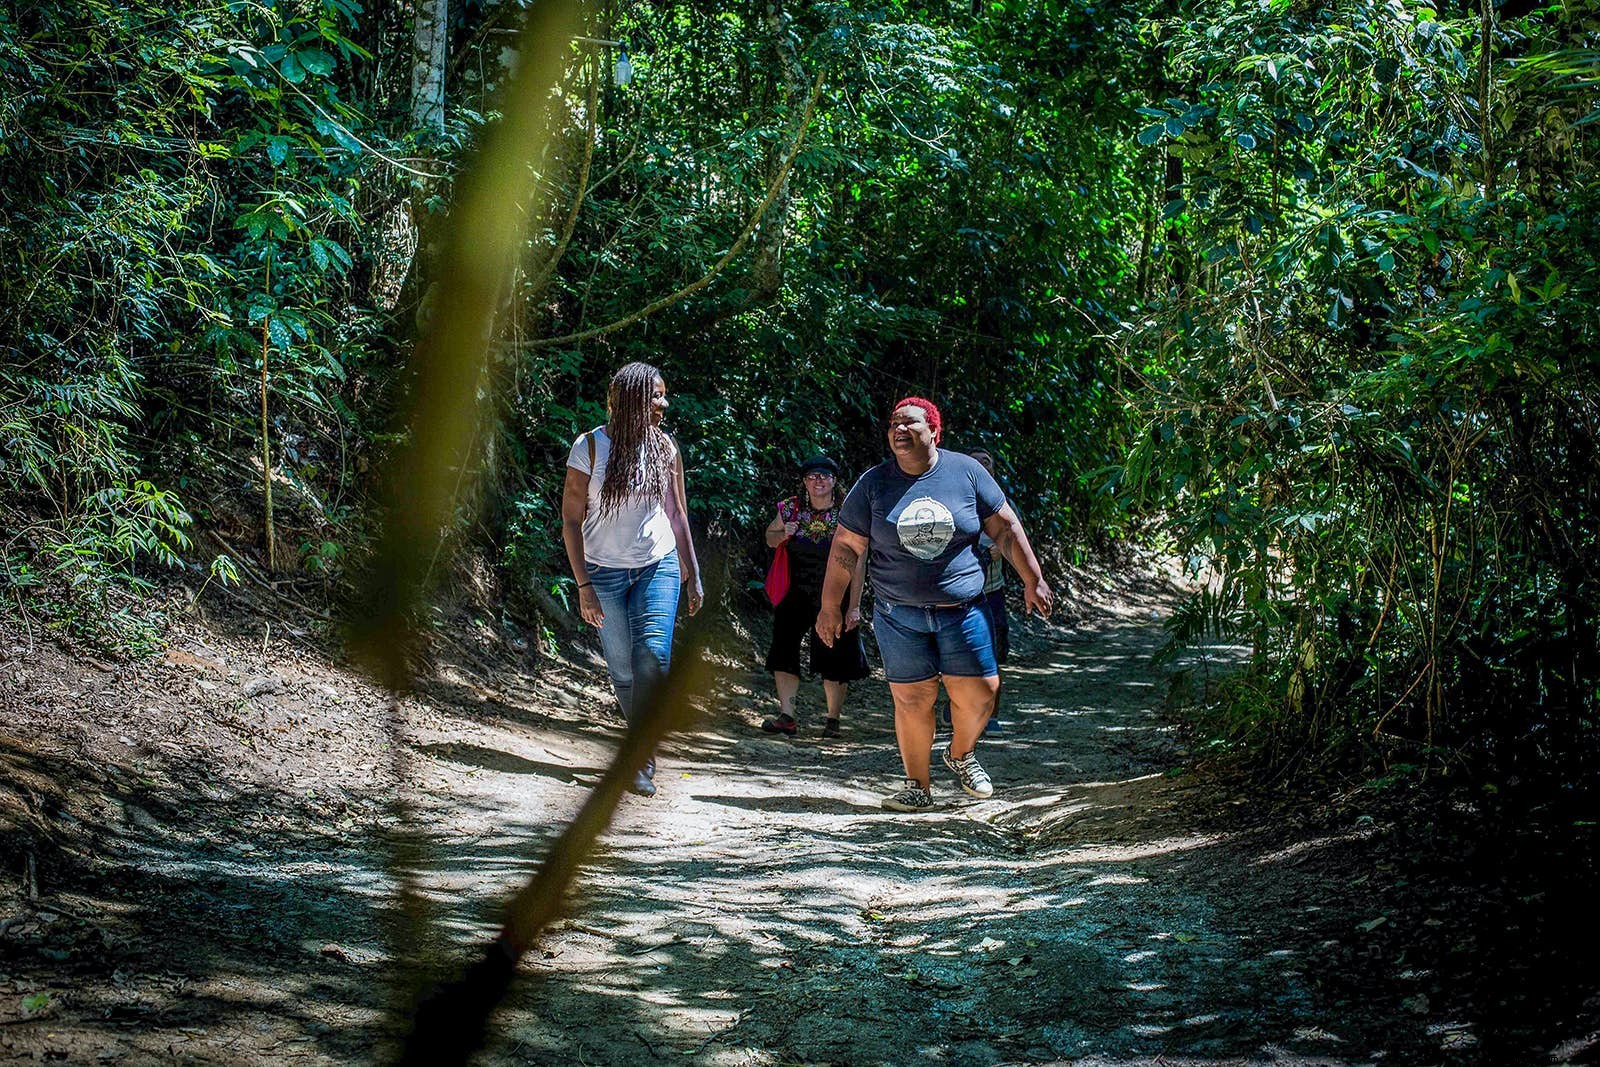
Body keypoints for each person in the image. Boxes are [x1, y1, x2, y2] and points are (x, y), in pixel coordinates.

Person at [816, 397, 1052, 812]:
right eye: (893, 424)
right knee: (912, 699)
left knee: (981, 692)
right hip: (898, 613)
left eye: (909, 423)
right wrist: (830, 605)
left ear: (934, 432)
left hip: (963, 609)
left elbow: (1005, 528)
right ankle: (917, 786)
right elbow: (846, 548)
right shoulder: (873, 483)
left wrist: (1033, 579)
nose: (899, 430)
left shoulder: (966, 472)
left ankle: (960, 754)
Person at [561, 362, 704, 798]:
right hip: (603, 573)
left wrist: (692, 572)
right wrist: (584, 585)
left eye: (664, 395)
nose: (664, 403)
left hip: (656, 566)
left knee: (651, 659)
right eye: (656, 396)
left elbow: (677, 514)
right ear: (631, 399)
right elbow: (570, 520)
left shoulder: (664, 447)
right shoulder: (589, 448)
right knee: (623, 671)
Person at [760, 455, 868, 739]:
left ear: (834, 480)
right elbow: (769, 537)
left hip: (836, 592)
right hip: (794, 591)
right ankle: (787, 716)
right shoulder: (791, 509)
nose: (817, 481)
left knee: (835, 653)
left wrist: (854, 606)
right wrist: (784, 532)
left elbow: (859, 562)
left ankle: (832, 720)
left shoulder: (849, 512)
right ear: (804, 481)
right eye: (811, 476)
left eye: (824, 475)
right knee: (784, 649)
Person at [969, 447, 1015, 736]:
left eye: (988, 463)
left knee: (994, 653)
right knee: (956, 654)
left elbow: (1016, 540)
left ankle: (992, 715)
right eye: (976, 463)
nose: (983, 467)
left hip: (993, 590)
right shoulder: (954, 498)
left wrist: (1003, 549)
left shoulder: (1000, 502)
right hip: (958, 593)